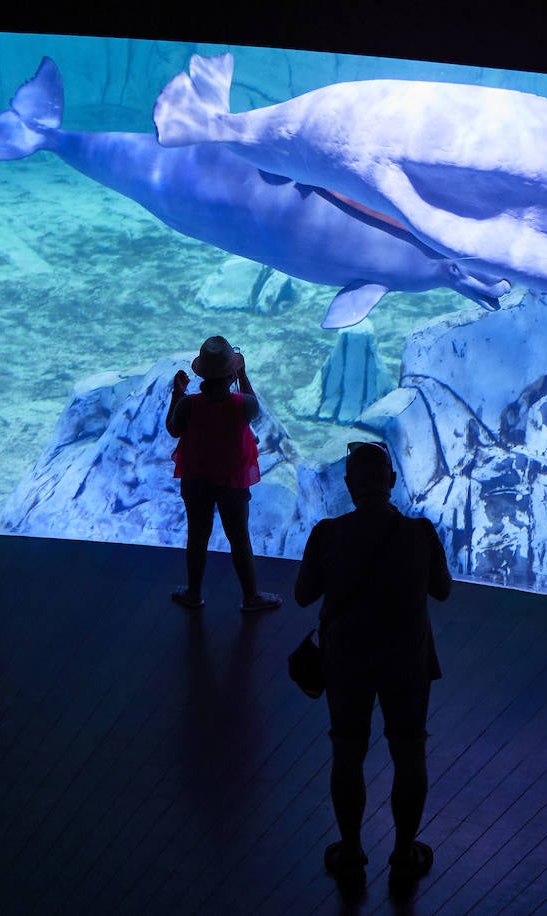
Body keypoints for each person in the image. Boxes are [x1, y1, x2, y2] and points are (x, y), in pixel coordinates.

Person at [295, 441, 452, 895]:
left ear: (348, 486)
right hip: (407, 661)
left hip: (346, 662)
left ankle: (350, 851)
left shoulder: (327, 533)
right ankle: (404, 853)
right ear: (392, 482)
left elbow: (304, 594)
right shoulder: (420, 534)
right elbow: (442, 590)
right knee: (408, 751)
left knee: (347, 750)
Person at [166, 335, 281, 613]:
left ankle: (194, 593)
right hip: (232, 481)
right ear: (231, 374)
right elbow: (255, 406)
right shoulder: (243, 404)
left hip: (196, 479)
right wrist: (243, 375)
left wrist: (178, 393)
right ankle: (251, 596)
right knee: (239, 537)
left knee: (197, 535)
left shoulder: (189, 404)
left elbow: (173, 429)